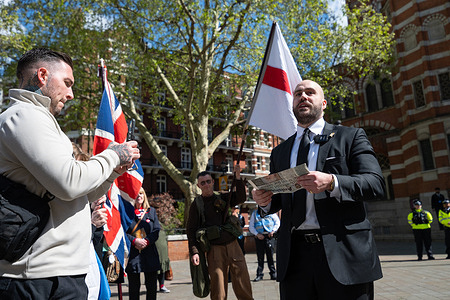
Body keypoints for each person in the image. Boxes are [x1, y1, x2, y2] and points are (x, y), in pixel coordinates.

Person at [0, 47, 140, 299]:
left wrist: (111, 173)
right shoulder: (23, 115)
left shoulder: (41, 120)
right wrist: (113, 155)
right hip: (38, 278)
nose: (72, 94)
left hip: (58, 273)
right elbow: (69, 183)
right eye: (67, 83)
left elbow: (80, 195)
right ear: (42, 75)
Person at [252, 79, 385, 299]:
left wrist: (333, 181)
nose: (303, 96)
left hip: (343, 253)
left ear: (323, 103)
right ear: (292, 104)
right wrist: (265, 201)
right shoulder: (280, 152)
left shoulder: (350, 137)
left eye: (310, 92)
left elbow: (375, 183)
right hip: (294, 260)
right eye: (298, 94)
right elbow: (284, 200)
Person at [186, 166, 253, 300]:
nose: (206, 185)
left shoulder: (223, 197)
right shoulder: (197, 204)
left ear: (213, 182)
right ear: (199, 186)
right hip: (214, 249)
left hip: (233, 245)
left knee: (243, 282)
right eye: (203, 183)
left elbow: (240, 197)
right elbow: (191, 229)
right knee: (218, 289)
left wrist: (238, 177)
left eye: (208, 181)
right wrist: (194, 252)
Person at [126, 187, 161, 300]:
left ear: (144, 196)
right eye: (136, 193)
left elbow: (156, 231)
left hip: (150, 252)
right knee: (133, 288)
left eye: (141, 193)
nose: (139, 196)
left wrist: (146, 241)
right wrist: (134, 240)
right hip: (134, 254)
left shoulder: (151, 211)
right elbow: (122, 232)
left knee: (151, 287)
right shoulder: (127, 213)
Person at [248, 208, 280, 282]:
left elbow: (277, 222)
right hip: (259, 237)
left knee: (270, 256)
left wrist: (273, 231)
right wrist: (257, 234)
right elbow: (251, 226)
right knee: (260, 257)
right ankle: (259, 275)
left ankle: (273, 273)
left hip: (269, 236)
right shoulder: (255, 213)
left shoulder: (272, 212)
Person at [155, 228, 171, 293]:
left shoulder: (160, 225)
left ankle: (162, 286)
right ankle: (153, 287)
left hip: (163, 253)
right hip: (155, 252)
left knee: (162, 269)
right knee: (155, 271)